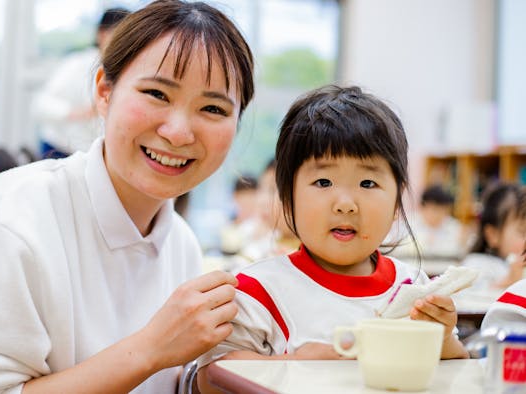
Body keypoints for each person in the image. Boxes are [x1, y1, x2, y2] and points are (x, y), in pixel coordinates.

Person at [0, 1, 255, 392]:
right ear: (104, 90)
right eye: (157, 93)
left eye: (213, 108)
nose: (179, 132)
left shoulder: (180, 242)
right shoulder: (3, 223)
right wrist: (149, 349)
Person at [197, 85, 467, 393]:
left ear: (397, 203)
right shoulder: (258, 290)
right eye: (323, 181)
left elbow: (457, 372)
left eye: (368, 182)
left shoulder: (413, 289)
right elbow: (209, 378)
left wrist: (443, 340)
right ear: (288, 199)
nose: (345, 204)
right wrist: (292, 364)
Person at [33, 7, 130, 159]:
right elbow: (42, 104)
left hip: (95, 156)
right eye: (120, 34)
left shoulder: (129, 71)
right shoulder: (77, 64)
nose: (125, 43)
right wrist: (76, 113)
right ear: (102, 35)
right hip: (60, 150)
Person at [461, 182, 526, 291]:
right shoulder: (477, 264)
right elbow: (473, 297)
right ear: (493, 235)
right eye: (523, 232)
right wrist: (509, 280)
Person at [391, 185, 466, 258]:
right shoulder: (407, 224)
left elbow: (459, 252)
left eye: (444, 211)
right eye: (435, 210)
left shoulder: (454, 227)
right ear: (423, 207)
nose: (439, 215)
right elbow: (398, 251)